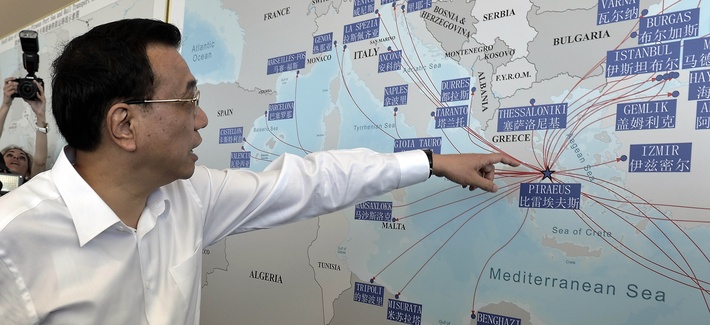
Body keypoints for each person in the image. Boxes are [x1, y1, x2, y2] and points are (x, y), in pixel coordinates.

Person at [0, 18, 519, 324]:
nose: (201, 118)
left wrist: (429, 162)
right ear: (124, 124)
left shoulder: (188, 197)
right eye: (188, 100)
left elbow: (309, 182)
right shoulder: (14, 241)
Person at [0, 77, 49, 180]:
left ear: (28, 171)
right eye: (9, 155)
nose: (15, 158)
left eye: (22, 157)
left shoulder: (31, 185)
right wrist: (5, 105)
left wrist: (40, 114)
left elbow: (40, 162)